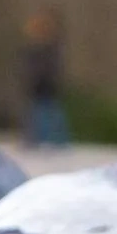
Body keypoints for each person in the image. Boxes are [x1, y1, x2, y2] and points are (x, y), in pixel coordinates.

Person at [21, 8, 70, 147]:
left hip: (47, 87)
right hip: (37, 88)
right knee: (39, 114)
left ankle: (56, 142)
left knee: (49, 115)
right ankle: (37, 141)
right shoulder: (35, 48)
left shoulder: (49, 48)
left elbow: (50, 69)